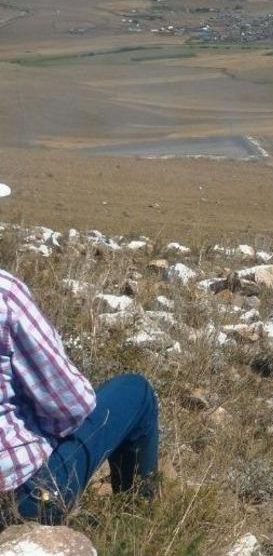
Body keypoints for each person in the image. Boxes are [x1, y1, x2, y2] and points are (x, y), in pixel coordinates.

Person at [1, 183, 159, 525]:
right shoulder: (5, 294)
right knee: (136, 392)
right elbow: (72, 405)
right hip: (20, 500)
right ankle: (138, 525)